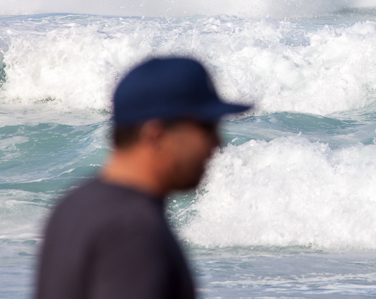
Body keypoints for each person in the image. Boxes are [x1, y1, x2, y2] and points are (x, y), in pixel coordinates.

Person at [35, 57, 252, 299]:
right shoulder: (132, 228)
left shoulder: (74, 203)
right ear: (155, 135)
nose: (217, 142)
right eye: (207, 127)